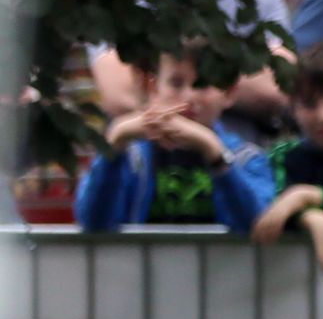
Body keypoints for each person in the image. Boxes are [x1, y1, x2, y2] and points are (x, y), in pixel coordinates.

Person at [77, 51, 279, 233]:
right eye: (176, 83)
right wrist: (115, 143)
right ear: (153, 87)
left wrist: (214, 152)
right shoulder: (132, 156)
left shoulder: (247, 157)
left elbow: (256, 227)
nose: (189, 96)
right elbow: (94, 223)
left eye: (203, 85)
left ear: (228, 93)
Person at [253, 42, 323, 281]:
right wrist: (313, 218)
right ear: (293, 109)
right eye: (310, 104)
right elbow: (269, 212)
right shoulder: (282, 156)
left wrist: (309, 196)